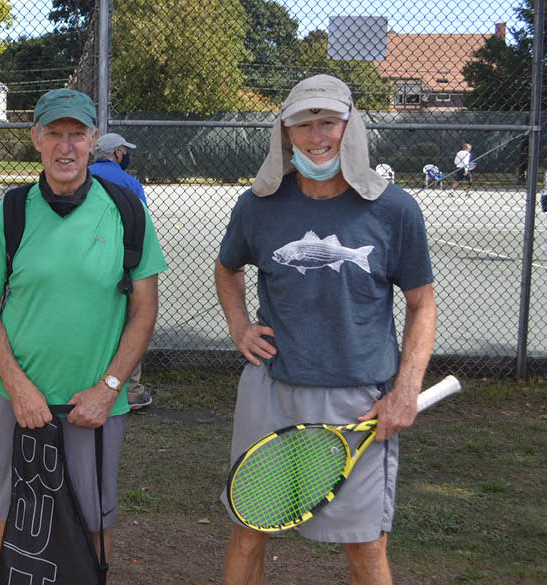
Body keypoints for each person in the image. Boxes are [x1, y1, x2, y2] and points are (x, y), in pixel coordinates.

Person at [214, 74, 437, 585]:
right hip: (271, 388)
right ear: (286, 133)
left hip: (358, 398)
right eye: (304, 125)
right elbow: (228, 269)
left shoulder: (394, 208)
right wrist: (239, 326)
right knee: (250, 528)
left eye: (328, 123)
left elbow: (422, 304)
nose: (317, 138)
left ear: (349, 127)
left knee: (366, 544)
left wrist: (405, 390)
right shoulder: (257, 204)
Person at [0, 88, 166, 566]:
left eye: (76, 134)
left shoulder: (127, 211)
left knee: (93, 520)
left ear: (93, 139)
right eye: (54, 133)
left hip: (93, 406)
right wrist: (17, 387)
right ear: (35, 138)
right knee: (16, 517)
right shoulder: (13, 211)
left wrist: (108, 388)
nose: (65, 146)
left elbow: (143, 311)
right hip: (18, 401)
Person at [88, 132, 153, 411]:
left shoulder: (82, 176)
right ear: (117, 153)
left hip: (84, 263)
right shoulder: (131, 184)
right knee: (131, 322)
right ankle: (131, 390)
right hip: (123, 264)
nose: (127, 155)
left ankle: (87, 381)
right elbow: (143, 227)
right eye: (125, 151)